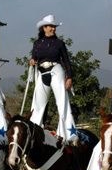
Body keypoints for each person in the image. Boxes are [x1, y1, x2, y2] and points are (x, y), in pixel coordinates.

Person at [29, 15, 77, 145]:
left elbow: (67, 61)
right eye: (51, 27)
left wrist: (70, 78)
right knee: (38, 105)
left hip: (56, 70)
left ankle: (67, 134)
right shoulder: (37, 44)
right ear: (44, 28)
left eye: (54, 27)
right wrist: (32, 61)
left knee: (62, 102)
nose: (53, 29)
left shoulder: (59, 43)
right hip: (42, 72)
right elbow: (34, 58)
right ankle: (34, 134)